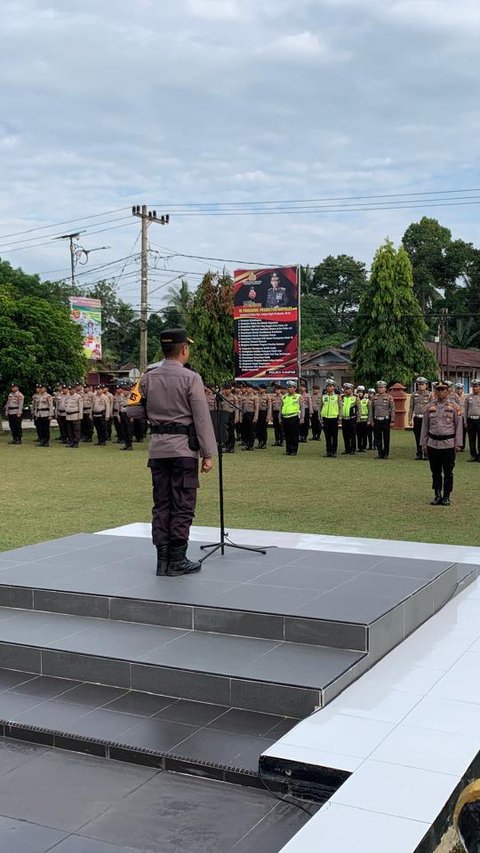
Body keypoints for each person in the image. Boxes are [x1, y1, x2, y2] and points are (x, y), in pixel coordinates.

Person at [128, 328, 217, 577]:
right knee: (183, 504)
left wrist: (157, 416)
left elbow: (131, 410)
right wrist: (208, 453)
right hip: (183, 450)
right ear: (184, 349)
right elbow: (201, 418)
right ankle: (177, 560)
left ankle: (162, 561)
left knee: (162, 504)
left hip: (158, 449)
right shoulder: (191, 378)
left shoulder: (147, 377)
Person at [421, 379, 463, 505]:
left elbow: (458, 426)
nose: (440, 392)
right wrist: (424, 443)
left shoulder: (455, 408)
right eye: (438, 390)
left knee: (448, 472)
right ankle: (437, 494)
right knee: (435, 472)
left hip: (448, 444)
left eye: (443, 390)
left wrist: (458, 443)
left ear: (448, 391)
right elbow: (425, 426)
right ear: (435, 392)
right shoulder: (429, 408)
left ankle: (446, 496)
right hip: (433, 444)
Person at [368, 381, 395, 459]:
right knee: (377, 438)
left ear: (385, 388)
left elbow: (392, 409)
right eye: (379, 387)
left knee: (386, 438)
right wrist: (371, 420)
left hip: (385, 420)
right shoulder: (374, 397)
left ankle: (386, 453)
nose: (380, 389)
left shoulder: (389, 397)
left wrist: (392, 420)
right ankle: (380, 453)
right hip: (377, 420)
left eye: (382, 387)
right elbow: (371, 410)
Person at [408, 377, 431, 460]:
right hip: (417, 418)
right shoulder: (414, 395)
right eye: (419, 384)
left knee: (426, 436)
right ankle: (419, 453)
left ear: (426, 385)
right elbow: (411, 407)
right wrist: (409, 419)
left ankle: (426, 453)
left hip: (426, 419)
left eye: (422, 384)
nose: (421, 386)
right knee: (417, 436)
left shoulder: (429, 395)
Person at [321, 379, 341, 458]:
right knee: (327, 436)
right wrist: (320, 416)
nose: (329, 388)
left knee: (334, 435)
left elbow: (340, 407)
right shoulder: (324, 396)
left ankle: (334, 451)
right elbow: (321, 407)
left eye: (330, 386)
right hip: (325, 418)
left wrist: (340, 417)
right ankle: (328, 451)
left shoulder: (337, 397)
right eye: (327, 386)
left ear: (334, 387)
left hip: (334, 418)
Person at [281, 380, 301, 455]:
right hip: (285, 417)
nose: (289, 389)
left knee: (294, 435)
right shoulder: (284, 397)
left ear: (295, 388)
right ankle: (288, 450)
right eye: (288, 387)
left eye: (291, 387)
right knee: (287, 435)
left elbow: (302, 408)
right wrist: (280, 417)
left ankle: (294, 450)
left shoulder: (298, 397)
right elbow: (281, 407)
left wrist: (301, 418)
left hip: (294, 417)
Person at [465, 379, 480, 462]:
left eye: (476, 386)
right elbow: (466, 409)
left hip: (479, 420)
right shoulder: (468, 397)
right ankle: (473, 455)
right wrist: (465, 421)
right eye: (473, 386)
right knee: (471, 439)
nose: (475, 388)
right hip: (471, 420)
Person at [341, 383, 357, 454]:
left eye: (348, 389)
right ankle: (347, 449)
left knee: (352, 435)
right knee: (345, 435)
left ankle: (353, 449)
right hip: (344, 419)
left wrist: (358, 418)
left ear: (352, 389)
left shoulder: (355, 398)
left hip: (352, 419)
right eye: (345, 389)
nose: (346, 390)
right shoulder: (342, 398)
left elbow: (359, 409)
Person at [454, 382, 467, 451]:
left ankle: (462, 446)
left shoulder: (466, 397)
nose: (459, 390)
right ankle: (456, 445)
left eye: (460, 389)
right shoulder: (453, 397)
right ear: (456, 389)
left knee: (463, 432)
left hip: (462, 416)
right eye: (458, 389)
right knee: (455, 431)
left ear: (462, 389)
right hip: (455, 416)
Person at [356, 386, 369, 452]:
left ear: (363, 393)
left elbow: (369, 411)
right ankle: (359, 447)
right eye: (358, 392)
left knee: (364, 434)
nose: (360, 393)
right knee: (358, 434)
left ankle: (364, 447)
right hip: (358, 420)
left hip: (365, 420)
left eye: (361, 392)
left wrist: (369, 420)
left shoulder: (366, 400)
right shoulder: (356, 400)